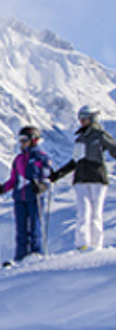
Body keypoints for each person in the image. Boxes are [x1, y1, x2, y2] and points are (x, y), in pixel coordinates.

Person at [48, 105, 116, 250]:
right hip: (81, 179)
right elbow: (75, 161)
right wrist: (58, 175)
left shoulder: (100, 135)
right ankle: (82, 244)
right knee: (82, 212)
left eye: (85, 118)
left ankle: (96, 246)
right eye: (80, 119)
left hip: (97, 178)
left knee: (96, 213)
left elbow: (114, 149)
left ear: (93, 118)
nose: (82, 121)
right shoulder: (80, 139)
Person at [0, 125, 53, 263]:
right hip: (19, 198)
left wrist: (41, 186)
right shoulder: (18, 159)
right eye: (20, 140)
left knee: (35, 228)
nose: (21, 143)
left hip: (34, 197)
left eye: (24, 140)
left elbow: (48, 178)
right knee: (21, 231)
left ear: (33, 140)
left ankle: (37, 255)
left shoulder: (42, 158)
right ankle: (20, 258)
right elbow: (13, 180)